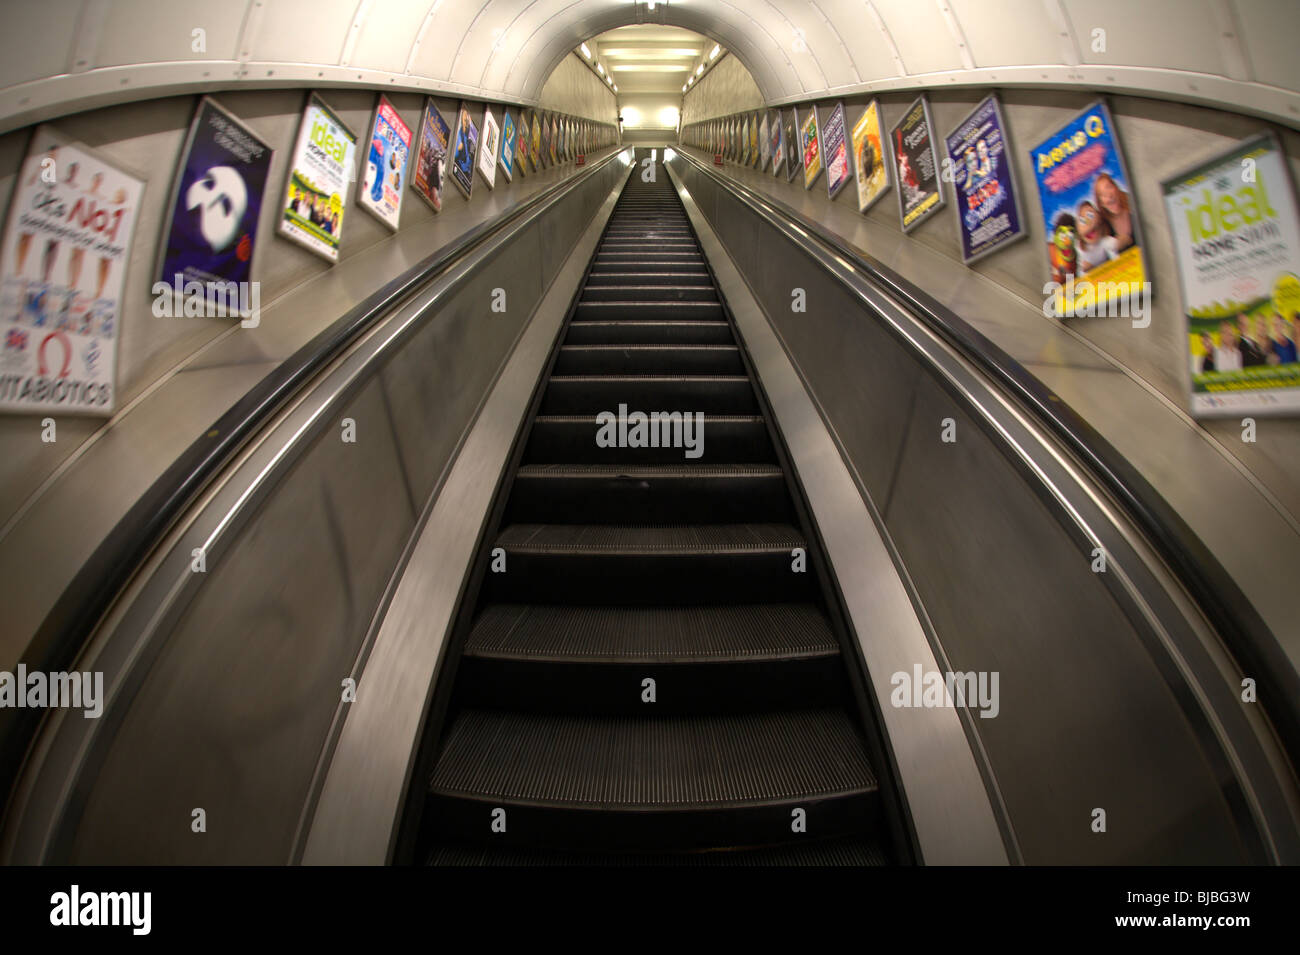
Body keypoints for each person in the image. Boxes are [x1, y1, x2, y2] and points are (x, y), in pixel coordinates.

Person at [1094, 173, 1134, 252]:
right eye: (1102, 194)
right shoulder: (1104, 227)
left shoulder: (1133, 204)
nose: (1109, 195)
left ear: (1116, 188)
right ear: (1101, 203)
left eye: (1109, 187)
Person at [1075, 201, 1118, 272]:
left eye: (1090, 216)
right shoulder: (1078, 246)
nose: (1087, 223)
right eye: (1082, 220)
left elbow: (1115, 255)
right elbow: (1078, 268)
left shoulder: (1105, 241)